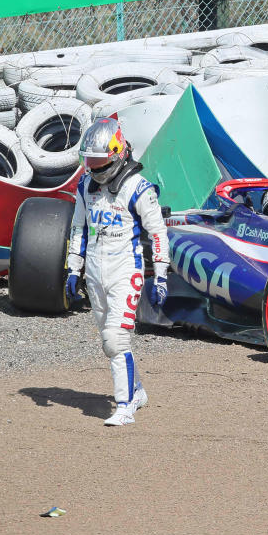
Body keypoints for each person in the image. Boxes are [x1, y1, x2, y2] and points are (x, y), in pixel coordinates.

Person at [66, 117, 170, 425]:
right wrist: (74, 268)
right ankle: (136, 390)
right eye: (89, 161)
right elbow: (78, 227)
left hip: (127, 270)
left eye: (98, 161)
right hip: (95, 273)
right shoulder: (85, 185)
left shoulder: (138, 188)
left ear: (116, 153)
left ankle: (124, 407)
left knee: (116, 339)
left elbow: (158, 233)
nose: (93, 167)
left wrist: (161, 275)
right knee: (108, 341)